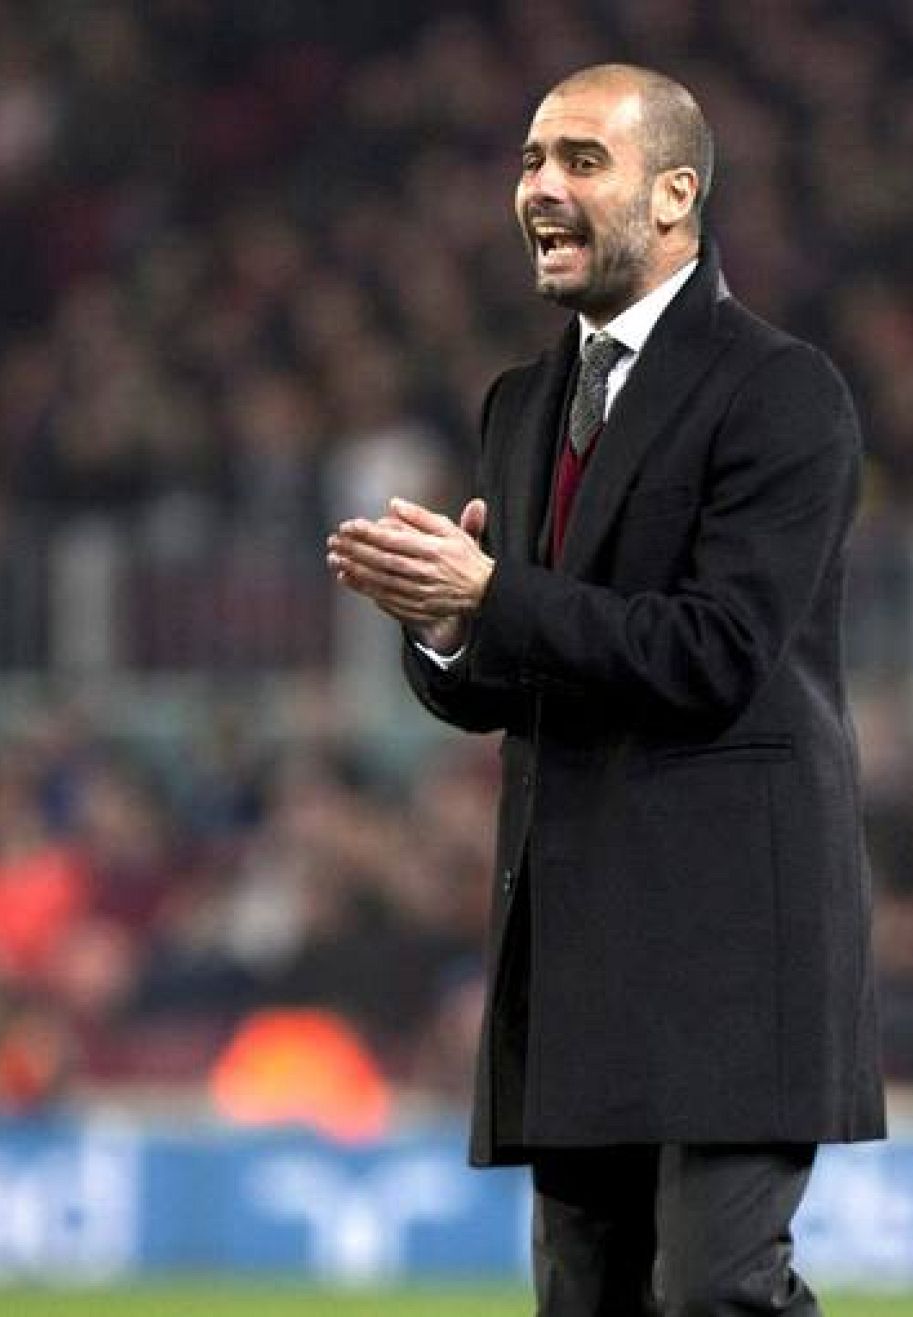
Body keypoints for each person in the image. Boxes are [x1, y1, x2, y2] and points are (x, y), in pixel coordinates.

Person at [327, 64, 884, 1316]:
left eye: (582, 160)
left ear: (676, 194)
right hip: (575, 935)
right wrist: (446, 634)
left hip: (737, 935)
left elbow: (714, 656)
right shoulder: (523, 406)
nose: (540, 188)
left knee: (714, 1296)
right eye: (530, 161)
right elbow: (517, 680)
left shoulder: (779, 392)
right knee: (587, 1299)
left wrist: (496, 599)